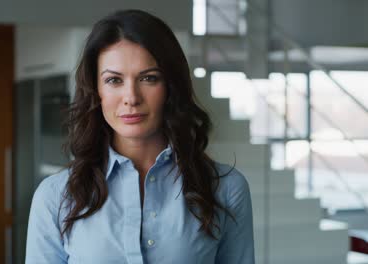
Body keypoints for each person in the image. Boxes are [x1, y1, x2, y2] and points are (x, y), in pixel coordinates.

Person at [26, 9, 255, 264]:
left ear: (170, 86)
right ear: (96, 90)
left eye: (148, 78)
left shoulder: (226, 189)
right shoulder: (55, 197)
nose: (131, 97)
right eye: (114, 80)